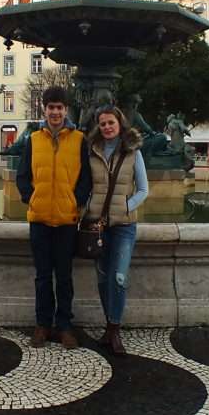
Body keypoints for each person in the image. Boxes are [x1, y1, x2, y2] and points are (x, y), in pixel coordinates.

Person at [16, 86, 92, 349]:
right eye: (51, 107)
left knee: (64, 276)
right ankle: (42, 325)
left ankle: (65, 326)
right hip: (39, 219)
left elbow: (86, 179)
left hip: (67, 220)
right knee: (42, 276)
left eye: (60, 107)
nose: (55, 112)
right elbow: (22, 174)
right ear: (44, 110)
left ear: (65, 110)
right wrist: (31, 197)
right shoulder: (34, 139)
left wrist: (76, 201)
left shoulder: (79, 139)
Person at [84, 104, 148, 355]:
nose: (107, 127)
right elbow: (86, 186)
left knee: (118, 277)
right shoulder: (92, 151)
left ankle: (114, 329)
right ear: (98, 127)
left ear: (119, 124)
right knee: (102, 278)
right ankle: (109, 326)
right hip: (97, 225)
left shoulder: (133, 152)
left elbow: (143, 190)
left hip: (124, 226)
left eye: (111, 122)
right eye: (102, 124)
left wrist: (124, 207)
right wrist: (87, 210)